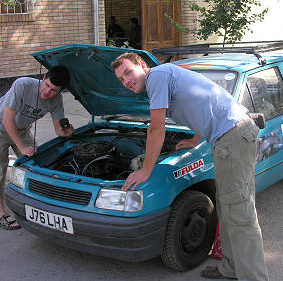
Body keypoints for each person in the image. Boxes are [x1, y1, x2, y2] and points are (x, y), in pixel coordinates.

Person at [111, 53, 268, 281]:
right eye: (121, 79)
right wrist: (196, 139)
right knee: (228, 206)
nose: (126, 81)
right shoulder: (165, 77)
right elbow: (203, 102)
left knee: (240, 211)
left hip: (232, 136)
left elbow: (156, 129)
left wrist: (145, 170)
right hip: (228, 136)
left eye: (128, 72)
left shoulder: (156, 77)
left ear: (142, 66)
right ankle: (233, 267)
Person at [0, 66, 74, 230]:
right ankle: (1, 214)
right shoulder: (23, 85)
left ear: (60, 91)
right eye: (46, 85)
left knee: (37, 164)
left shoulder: (56, 100)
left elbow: (59, 130)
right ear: (44, 77)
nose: (47, 92)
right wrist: (22, 148)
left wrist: (68, 130)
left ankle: (37, 205)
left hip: (22, 128)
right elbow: (7, 120)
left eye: (53, 90)